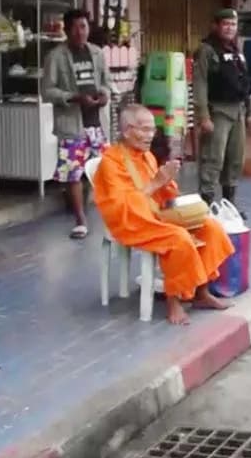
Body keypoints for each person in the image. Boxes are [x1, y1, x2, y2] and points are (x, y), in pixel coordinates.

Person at [93, 104, 235, 325]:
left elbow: (159, 195)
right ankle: (174, 301)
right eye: (144, 130)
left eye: (152, 130)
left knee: (210, 227)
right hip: (129, 222)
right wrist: (158, 182)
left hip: (154, 215)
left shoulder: (147, 156)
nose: (150, 135)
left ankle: (201, 292)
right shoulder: (111, 162)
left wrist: (167, 181)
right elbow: (123, 206)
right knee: (179, 238)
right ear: (127, 130)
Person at [43, 8, 115, 239]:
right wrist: (73, 97)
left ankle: (111, 214)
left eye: (83, 26)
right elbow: (47, 91)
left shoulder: (97, 53)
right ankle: (80, 220)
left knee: (104, 170)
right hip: (71, 123)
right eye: (74, 27)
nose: (79, 32)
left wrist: (104, 95)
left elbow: (107, 81)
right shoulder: (56, 56)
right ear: (66, 29)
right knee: (73, 173)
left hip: (96, 123)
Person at [193, 9, 251, 210]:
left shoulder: (236, 51)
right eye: (226, 24)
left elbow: (247, 83)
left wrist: (250, 112)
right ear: (216, 26)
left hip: (238, 111)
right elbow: (200, 84)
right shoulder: (207, 50)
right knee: (213, 158)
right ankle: (207, 204)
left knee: (235, 158)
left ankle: (229, 204)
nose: (230, 28)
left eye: (233, 24)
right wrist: (203, 116)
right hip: (218, 111)